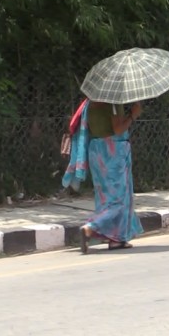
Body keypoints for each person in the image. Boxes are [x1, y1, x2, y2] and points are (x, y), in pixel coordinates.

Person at [62, 99, 144, 253]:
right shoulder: (112, 103)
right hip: (113, 152)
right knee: (119, 199)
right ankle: (91, 227)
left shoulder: (88, 104)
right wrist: (133, 115)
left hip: (96, 151)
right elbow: (118, 129)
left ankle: (115, 239)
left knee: (105, 198)